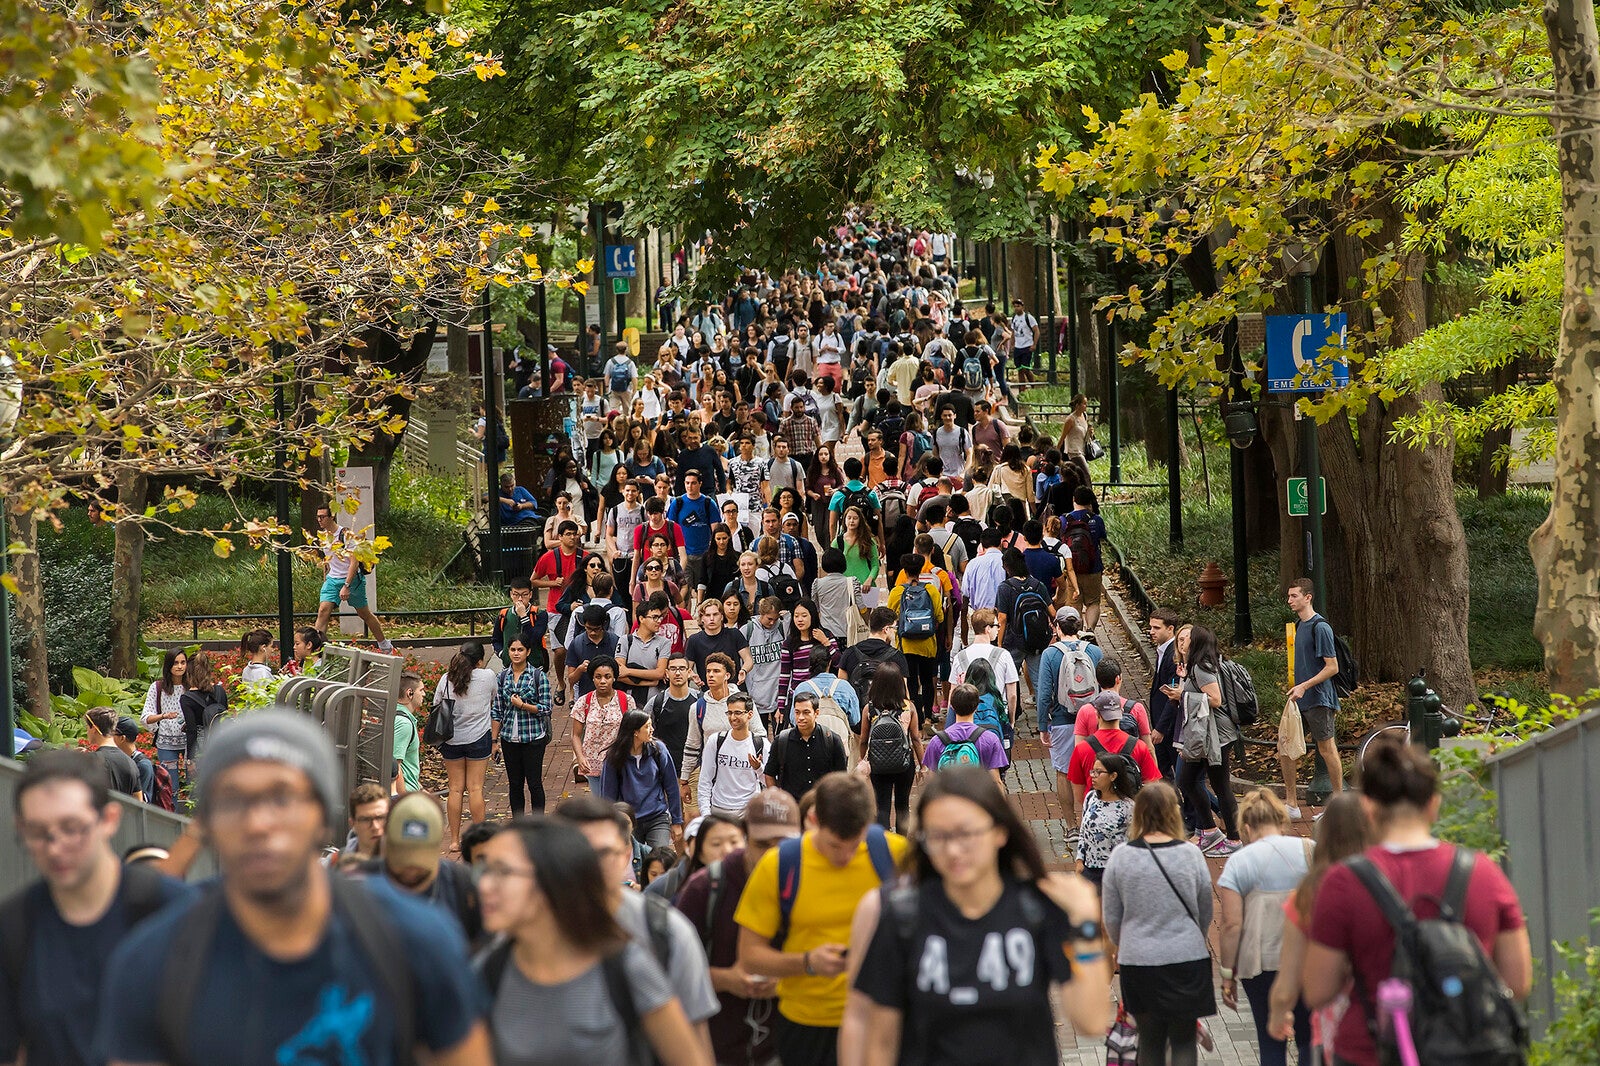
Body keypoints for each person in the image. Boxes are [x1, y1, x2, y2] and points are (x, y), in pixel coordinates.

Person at [95, 711, 491, 1066]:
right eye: (234, 800)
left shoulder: (416, 940)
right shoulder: (152, 964)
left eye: (283, 797)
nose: (259, 823)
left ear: (323, 817)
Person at [841, 768, 1113, 1065]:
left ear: (999, 831)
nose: (954, 850)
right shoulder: (903, 916)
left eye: (967, 833)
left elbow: (1091, 1020)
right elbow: (881, 1038)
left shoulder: (1034, 908)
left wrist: (1085, 925)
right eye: (938, 836)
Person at [1304, 737, 1532, 1066]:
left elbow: (1318, 990)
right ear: (1434, 804)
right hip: (1465, 1051)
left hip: (1369, 1052)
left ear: (1368, 808)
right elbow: (1518, 982)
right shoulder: (1483, 874)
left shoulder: (1343, 883)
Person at [1, 750, 191, 1066]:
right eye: (37, 833)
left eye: (72, 827)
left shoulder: (177, 913)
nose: (55, 846)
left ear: (109, 820)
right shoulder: (14, 928)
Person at [473, 816, 710, 1066]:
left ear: (550, 879)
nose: (484, 885)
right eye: (484, 870)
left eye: (503, 872)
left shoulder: (628, 968)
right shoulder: (488, 970)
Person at [735, 773, 909, 1066]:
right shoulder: (779, 865)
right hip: (807, 1024)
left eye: (855, 844)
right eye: (834, 845)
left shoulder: (895, 854)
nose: (845, 856)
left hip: (882, 1018)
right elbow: (749, 956)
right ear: (813, 820)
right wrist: (807, 962)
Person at [554, 795, 723, 1044]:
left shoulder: (668, 931)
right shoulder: (515, 940)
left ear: (625, 855)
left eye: (603, 853)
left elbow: (695, 1035)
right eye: (575, 852)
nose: (588, 865)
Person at [675, 791, 801, 1066]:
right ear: (744, 836)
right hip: (716, 1049)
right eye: (762, 844)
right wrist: (727, 979)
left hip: (787, 1048)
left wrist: (784, 983)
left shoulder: (808, 885)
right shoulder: (705, 889)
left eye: (783, 845)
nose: (773, 855)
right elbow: (668, 972)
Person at [1102, 781, 1216, 1066]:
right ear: (1173, 813)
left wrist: (1123, 942)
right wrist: (1192, 936)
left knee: (1149, 1042)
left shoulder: (1121, 857)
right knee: (1183, 1041)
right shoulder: (1191, 855)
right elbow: (1205, 910)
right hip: (1186, 958)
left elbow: (1112, 918)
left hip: (1138, 960)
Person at [1268, 793, 1369, 1063]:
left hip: (1335, 1028)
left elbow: (1288, 978)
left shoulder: (1306, 895)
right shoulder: (1388, 883)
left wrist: (1279, 1012)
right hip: (1391, 1019)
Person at [1216, 789, 1313, 1066]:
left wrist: (1227, 974)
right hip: (1306, 959)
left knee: (1270, 1039)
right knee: (1308, 1037)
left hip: (1260, 963)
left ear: (1246, 827)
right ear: (1281, 821)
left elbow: (1231, 924)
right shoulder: (1311, 850)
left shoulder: (1238, 863)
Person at [366, 793, 482, 943]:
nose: (411, 866)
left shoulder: (461, 885)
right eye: (403, 851)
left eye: (420, 854)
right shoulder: (363, 885)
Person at [1175, 624, 1242, 856]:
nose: (1182, 642)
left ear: (1197, 643)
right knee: (1187, 780)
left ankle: (1233, 838)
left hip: (1217, 736)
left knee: (1220, 785)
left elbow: (1215, 699)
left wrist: (1183, 695)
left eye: (1187, 639)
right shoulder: (1197, 666)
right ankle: (1209, 829)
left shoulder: (1203, 667)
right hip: (1206, 734)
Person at [1281, 577, 1344, 817]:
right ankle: (1291, 804)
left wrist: (1305, 686)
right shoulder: (1299, 625)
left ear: (1308, 597)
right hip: (1299, 698)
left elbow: (1332, 667)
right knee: (1286, 747)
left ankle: (1338, 805)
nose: (1289, 601)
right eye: (1289, 596)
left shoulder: (1321, 627)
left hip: (1319, 698)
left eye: (1294, 596)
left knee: (1326, 748)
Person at [434, 640, 496, 856]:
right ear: (479, 660)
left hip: (452, 740)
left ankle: (453, 841)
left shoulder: (446, 679)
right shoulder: (487, 676)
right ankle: (481, 839)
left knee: (455, 789)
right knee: (476, 788)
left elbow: (436, 705)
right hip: (479, 738)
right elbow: (492, 698)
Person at [597, 710, 686, 850]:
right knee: (633, 865)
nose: (652, 730)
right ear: (635, 732)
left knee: (660, 860)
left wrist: (676, 821)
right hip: (629, 821)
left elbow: (672, 787)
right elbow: (608, 796)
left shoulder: (658, 750)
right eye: (647, 726)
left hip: (658, 817)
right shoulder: (615, 757)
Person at [311, 503, 392, 651]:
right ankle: (316, 650)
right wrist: (326, 580)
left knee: (364, 614)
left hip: (352, 580)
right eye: (318, 517)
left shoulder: (345, 535)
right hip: (332, 580)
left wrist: (346, 586)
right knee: (323, 611)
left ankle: (384, 644)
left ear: (331, 516)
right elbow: (328, 561)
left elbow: (354, 563)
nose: (319, 520)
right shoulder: (323, 537)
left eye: (322, 516)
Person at [858, 661, 923, 832]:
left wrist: (863, 758)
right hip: (904, 763)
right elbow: (915, 738)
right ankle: (901, 845)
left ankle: (885, 846)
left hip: (878, 764)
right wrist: (922, 765)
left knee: (882, 806)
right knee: (903, 806)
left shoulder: (869, 708)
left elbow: (864, 739)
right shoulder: (909, 707)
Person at [492, 635, 552, 816]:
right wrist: (494, 741)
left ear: (528, 652)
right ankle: (518, 825)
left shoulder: (537, 676)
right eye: (513, 650)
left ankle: (538, 824)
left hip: (533, 737)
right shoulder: (502, 677)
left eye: (520, 650)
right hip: (509, 738)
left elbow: (547, 707)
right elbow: (497, 710)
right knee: (515, 784)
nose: (516, 653)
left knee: (534, 783)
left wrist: (524, 706)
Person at [885, 554, 944, 724]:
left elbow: (890, 616)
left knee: (911, 682)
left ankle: (915, 713)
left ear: (904, 571)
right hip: (928, 644)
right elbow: (939, 616)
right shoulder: (931, 589)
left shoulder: (897, 591)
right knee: (927, 680)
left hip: (906, 645)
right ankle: (928, 714)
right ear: (920, 571)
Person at [764, 692, 850, 800]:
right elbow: (769, 774)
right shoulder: (782, 741)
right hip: (792, 808)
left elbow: (842, 778)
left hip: (821, 806)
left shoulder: (832, 740)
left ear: (816, 713)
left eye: (806, 712)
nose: (800, 717)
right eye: (797, 712)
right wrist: (778, 800)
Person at [1075, 746, 1138, 889]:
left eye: (1099, 772)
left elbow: (1132, 843)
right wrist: (1079, 860)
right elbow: (1083, 832)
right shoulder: (1091, 798)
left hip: (1114, 873)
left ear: (1113, 776)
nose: (1093, 775)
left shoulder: (1128, 807)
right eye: (1093, 771)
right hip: (1089, 871)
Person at [919, 683, 1007, 784]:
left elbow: (932, 781)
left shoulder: (937, 741)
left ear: (952, 707)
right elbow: (996, 781)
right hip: (978, 798)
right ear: (977, 707)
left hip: (949, 798)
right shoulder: (990, 739)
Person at [646, 812, 744, 902]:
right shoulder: (675, 886)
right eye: (716, 844)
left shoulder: (751, 880)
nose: (727, 850)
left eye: (734, 842)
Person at [698, 694, 767, 819]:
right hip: (718, 809)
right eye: (729, 713)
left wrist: (758, 768)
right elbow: (705, 780)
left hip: (748, 811)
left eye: (738, 713)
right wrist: (706, 814)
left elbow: (770, 782)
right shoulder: (716, 741)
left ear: (750, 714)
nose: (732, 717)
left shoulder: (761, 744)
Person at [570, 656, 635, 783]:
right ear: (593, 678)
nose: (603, 681)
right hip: (592, 765)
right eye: (598, 677)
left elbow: (633, 733)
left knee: (618, 801)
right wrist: (580, 758)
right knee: (599, 801)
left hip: (619, 763)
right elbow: (576, 735)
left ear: (614, 678)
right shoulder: (584, 702)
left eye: (607, 676)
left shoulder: (626, 701)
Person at [948, 607, 1018, 716]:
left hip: (969, 717)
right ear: (988, 629)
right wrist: (1011, 720)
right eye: (996, 625)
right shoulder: (1004, 655)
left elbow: (952, 692)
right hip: (995, 716)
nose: (998, 629)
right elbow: (1012, 694)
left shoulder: (960, 657)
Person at [644, 653, 699, 772]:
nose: (677, 673)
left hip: (695, 769)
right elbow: (644, 734)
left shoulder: (700, 700)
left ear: (689, 672)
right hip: (664, 768)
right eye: (673, 669)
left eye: (682, 668)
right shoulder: (656, 702)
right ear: (667, 673)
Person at [140, 647, 187, 785]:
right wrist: (164, 716)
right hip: (166, 744)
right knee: (170, 787)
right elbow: (146, 717)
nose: (179, 666)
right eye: (175, 663)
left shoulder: (192, 685)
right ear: (168, 665)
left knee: (194, 786)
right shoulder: (157, 687)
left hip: (190, 743)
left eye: (183, 662)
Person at [742, 595, 788, 729]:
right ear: (761, 613)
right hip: (755, 694)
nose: (772, 622)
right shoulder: (747, 630)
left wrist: (787, 619)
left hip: (777, 694)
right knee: (759, 737)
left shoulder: (783, 628)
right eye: (769, 619)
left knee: (779, 736)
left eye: (775, 619)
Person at [685, 597, 754, 685]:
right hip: (707, 691)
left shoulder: (734, 634)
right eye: (707, 615)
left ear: (721, 616)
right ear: (702, 618)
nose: (712, 618)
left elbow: (748, 659)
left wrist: (744, 670)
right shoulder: (694, 640)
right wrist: (692, 676)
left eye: (715, 614)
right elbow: (688, 668)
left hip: (733, 689)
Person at [83, 707, 139, 797]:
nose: (87, 732)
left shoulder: (91, 761)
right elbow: (138, 801)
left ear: (94, 728)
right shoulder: (131, 762)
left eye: (87, 728)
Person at [110, 716, 157, 804]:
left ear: (122, 738)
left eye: (112, 735)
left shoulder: (143, 765)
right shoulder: (122, 760)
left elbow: (136, 799)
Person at [346, 781, 389, 859]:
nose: (375, 827)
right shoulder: (334, 864)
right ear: (353, 824)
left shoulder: (408, 865)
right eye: (365, 820)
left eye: (381, 818)